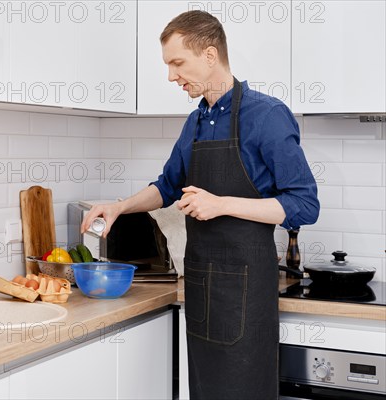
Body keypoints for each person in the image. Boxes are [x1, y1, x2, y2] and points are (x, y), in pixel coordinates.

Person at [81, 10, 320, 400]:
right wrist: (120, 206)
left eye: (178, 63)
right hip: (201, 290)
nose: (171, 76)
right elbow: (167, 187)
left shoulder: (267, 115)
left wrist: (222, 203)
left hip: (246, 296)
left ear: (210, 56)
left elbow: (304, 204)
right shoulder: (194, 122)